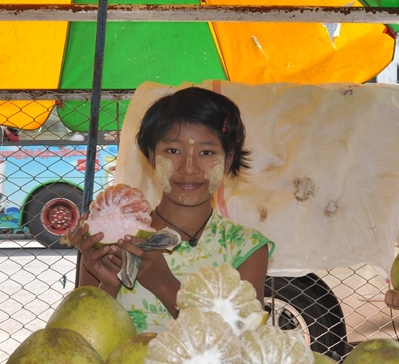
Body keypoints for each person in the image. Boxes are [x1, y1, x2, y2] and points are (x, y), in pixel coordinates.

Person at [72, 87, 273, 333]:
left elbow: (243, 341)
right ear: (152, 157)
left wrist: (163, 283)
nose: (189, 168)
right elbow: (81, 341)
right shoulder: (112, 241)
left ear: (228, 159)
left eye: (206, 152)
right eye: (173, 151)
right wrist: (109, 286)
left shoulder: (245, 248)